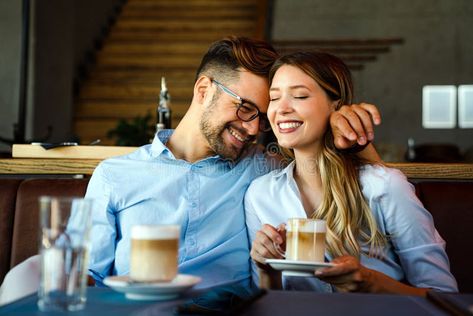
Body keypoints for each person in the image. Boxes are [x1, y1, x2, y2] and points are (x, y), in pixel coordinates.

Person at [82, 37, 382, 289]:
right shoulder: (114, 175)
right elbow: (85, 276)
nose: (253, 129)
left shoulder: (264, 170)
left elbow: (329, 162)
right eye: (245, 109)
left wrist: (348, 130)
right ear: (204, 90)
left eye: (262, 118)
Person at [245, 51, 458, 295]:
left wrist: (371, 282)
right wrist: (266, 269)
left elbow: (446, 297)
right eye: (273, 98)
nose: (281, 109)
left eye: (300, 95)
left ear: (336, 105)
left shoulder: (384, 186)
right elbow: (264, 300)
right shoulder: (260, 194)